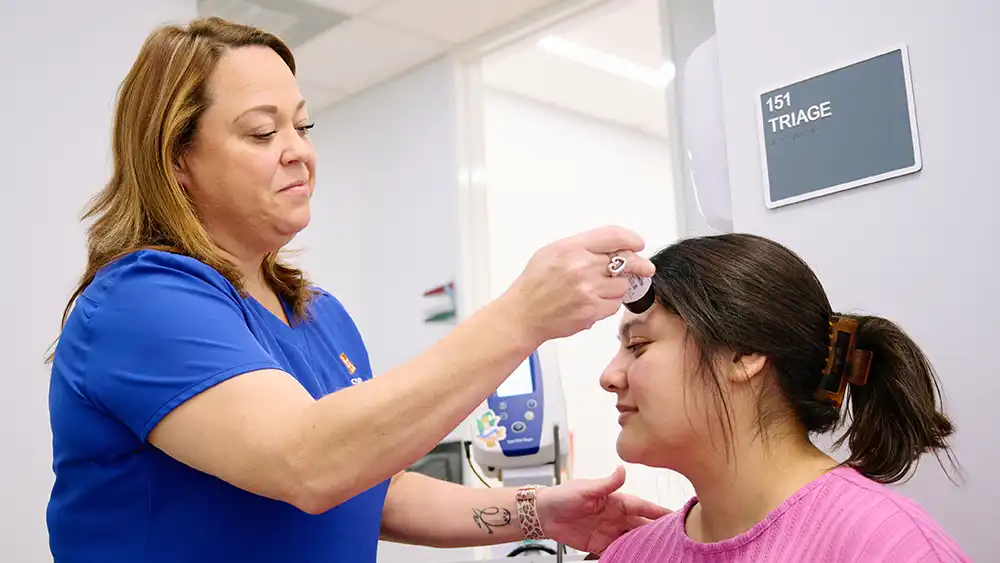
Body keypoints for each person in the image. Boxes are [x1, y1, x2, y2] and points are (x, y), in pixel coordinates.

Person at [45, 16, 670, 563]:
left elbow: (371, 485)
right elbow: (309, 464)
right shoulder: (140, 301)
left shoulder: (319, 317)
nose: (299, 153)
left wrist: (535, 511)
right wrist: (521, 317)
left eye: (302, 125)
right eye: (263, 133)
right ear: (175, 159)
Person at [598, 233, 971, 562]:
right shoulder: (630, 554)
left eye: (639, 345)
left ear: (743, 353)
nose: (608, 377)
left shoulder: (892, 548)